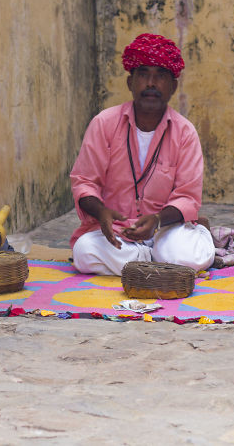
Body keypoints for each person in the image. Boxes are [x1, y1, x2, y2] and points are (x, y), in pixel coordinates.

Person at [69, 33, 216, 276]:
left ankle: (191, 238)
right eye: (144, 74)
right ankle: (153, 259)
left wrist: (157, 220)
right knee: (84, 253)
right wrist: (101, 213)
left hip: (165, 228)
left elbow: (188, 198)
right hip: (117, 231)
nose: (151, 83)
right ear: (130, 83)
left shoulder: (185, 132)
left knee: (185, 257)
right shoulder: (104, 123)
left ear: (173, 86)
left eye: (160, 76)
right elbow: (84, 182)